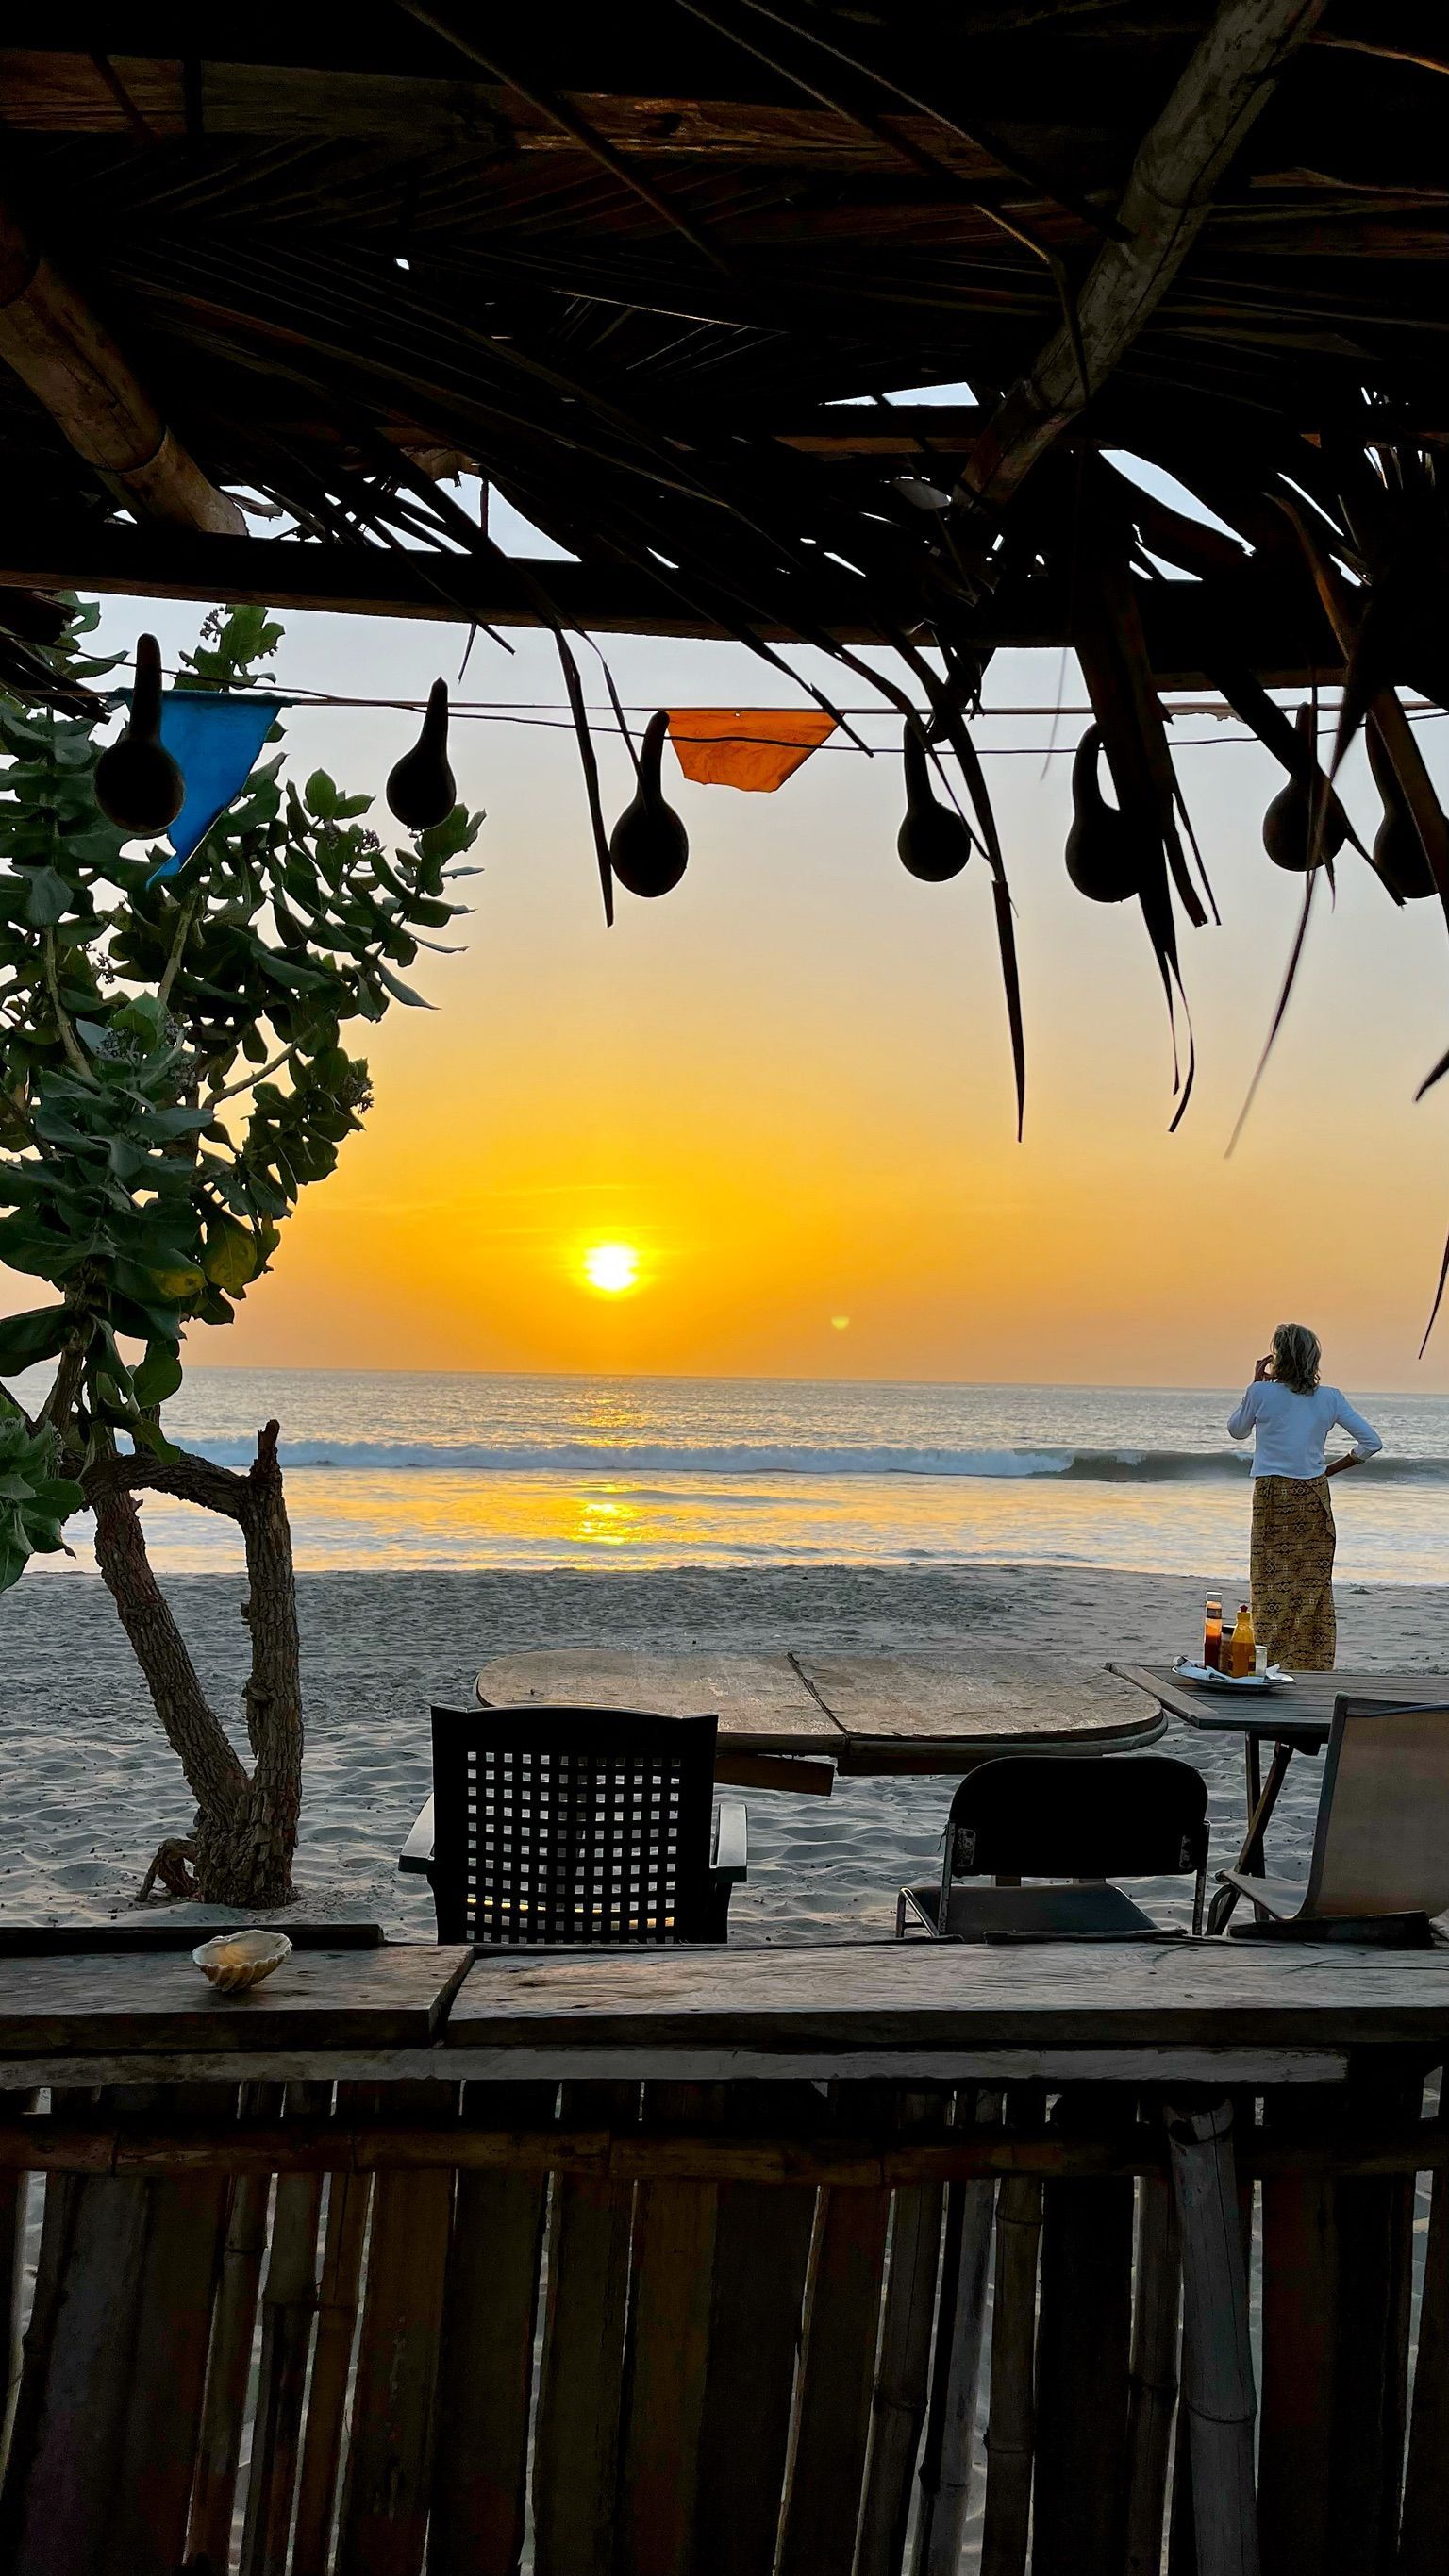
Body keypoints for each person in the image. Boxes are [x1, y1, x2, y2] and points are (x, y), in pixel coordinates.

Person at [1226, 1323, 1382, 1670]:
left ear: (1279, 1357)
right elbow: (1371, 1443)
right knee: (1311, 1584)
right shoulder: (1330, 1397)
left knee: (1269, 1582)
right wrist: (1329, 1470)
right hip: (1313, 1495)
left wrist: (1253, 1386)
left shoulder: (1261, 1393)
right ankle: (1312, 1665)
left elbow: (1237, 1431)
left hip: (1272, 1495)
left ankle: (1268, 1662)